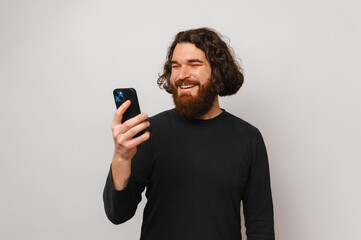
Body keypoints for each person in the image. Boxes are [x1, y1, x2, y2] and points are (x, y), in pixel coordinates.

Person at [103, 27, 275, 240]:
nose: (182, 75)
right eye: (176, 66)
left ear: (217, 71)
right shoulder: (149, 133)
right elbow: (117, 214)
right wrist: (121, 156)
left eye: (194, 64)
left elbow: (261, 228)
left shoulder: (248, 139)